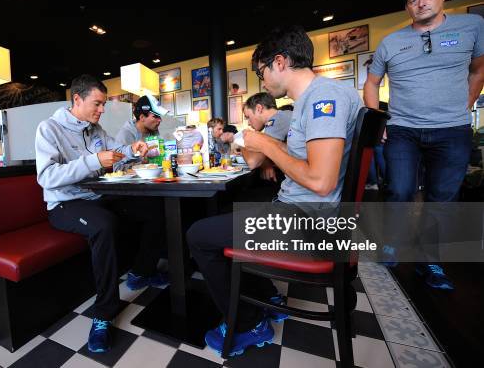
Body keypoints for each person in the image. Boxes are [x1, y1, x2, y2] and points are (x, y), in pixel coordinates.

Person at [187, 25, 362, 356]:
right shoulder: (311, 100)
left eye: (261, 71)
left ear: (279, 62)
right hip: (303, 213)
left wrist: (264, 141)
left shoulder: (323, 98)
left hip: (308, 222)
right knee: (226, 220)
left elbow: (321, 181)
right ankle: (266, 297)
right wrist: (271, 147)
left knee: (198, 235)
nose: (262, 81)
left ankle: (248, 324)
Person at [363, 0, 484, 289]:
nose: (421, 3)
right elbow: (372, 83)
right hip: (403, 129)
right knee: (399, 191)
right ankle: (390, 243)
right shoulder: (391, 42)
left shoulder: (471, 27)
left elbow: (478, 69)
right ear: (407, 6)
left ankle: (428, 260)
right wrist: (379, 122)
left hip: (453, 129)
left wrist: (466, 104)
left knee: (442, 199)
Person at [35, 74, 168, 353]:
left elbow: (114, 150)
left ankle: (141, 272)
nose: (102, 110)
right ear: (77, 100)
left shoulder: (95, 129)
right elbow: (46, 177)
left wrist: (132, 150)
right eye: (97, 103)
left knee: (156, 208)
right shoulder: (49, 129)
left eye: (103, 104)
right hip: (64, 204)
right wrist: (93, 161)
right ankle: (103, 314)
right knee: (104, 224)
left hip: (97, 197)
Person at [241, 92, 292, 184]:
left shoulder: (276, 120)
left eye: (248, 117)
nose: (248, 123)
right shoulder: (283, 115)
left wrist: (241, 141)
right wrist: (265, 162)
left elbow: (253, 161)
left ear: (259, 109)